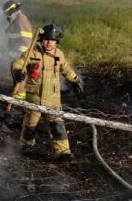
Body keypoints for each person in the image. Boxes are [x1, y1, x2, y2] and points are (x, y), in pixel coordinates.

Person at [11, 24, 83, 160]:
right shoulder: (32, 52)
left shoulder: (59, 54)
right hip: (34, 97)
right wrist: (17, 71)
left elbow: (66, 69)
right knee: (30, 125)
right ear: (41, 39)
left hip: (53, 98)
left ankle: (63, 152)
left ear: (57, 42)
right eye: (46, 39)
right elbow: (19, 62)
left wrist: (75, 80)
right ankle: (26, 147)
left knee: (57, 125)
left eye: (53, 40)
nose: (49, 42)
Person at [2, 0, 34, 100]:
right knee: (16, 74)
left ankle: (19, 98)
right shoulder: (15, 20)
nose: (6, 15)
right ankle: (17, 94)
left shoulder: (21, 20)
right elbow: (11, 36)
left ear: (12, 11)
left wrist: (20, 54)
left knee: (20, 75)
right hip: (15, 53)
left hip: (20, 54)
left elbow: (27, 40)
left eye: (8, 13)